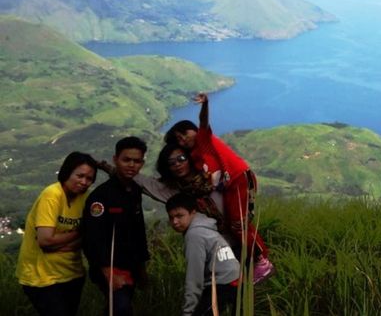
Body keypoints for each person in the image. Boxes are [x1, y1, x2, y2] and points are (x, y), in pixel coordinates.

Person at [165, 92, 273, 283]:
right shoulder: (195, 157)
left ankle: (261, 262)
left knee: (238, 226)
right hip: (232, 186)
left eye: (184, 133)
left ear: (194, 131)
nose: (183, 138)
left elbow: (203, 122)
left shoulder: (202, 139)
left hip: (239, 179)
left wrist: (205, 104)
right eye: (178, 138)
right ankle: (255, 259)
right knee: (237, 225)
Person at [16, 152, 98, 316]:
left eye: (89, 179)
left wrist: (61, 243)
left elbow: (88, 236)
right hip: (42, 277)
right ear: (67, 172)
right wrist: (78, 232)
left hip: (72, 273)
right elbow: (45, 241)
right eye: (80, 176)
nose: (84, 182)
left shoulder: (85, 198)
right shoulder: (52, 195)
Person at [82, 136, 150, 316]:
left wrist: (142, 269)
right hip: (110, 267)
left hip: (131, 264)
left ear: (142, 163)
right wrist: (108, 273)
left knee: (117, 308)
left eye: (136, 161)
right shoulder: (101, 197)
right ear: (115, 160)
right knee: (121, 308)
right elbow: (91, 238)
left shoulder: (135, 190)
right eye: (126, 159)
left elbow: (138, 230)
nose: (131, 165)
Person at [167, 193, 240, 316]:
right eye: (171, 217)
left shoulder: (194, 235)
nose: (175, 222)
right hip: (235, 280)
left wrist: (187, 312)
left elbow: (194, 279)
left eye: (179, 216)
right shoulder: (206, 227)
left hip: (222, 285)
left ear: (193, 212)